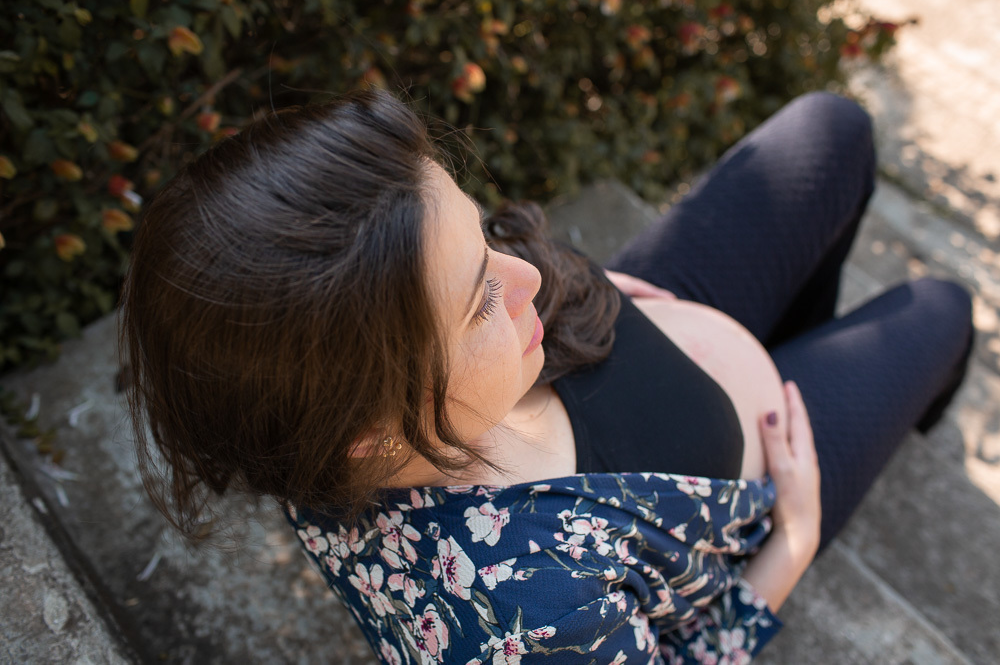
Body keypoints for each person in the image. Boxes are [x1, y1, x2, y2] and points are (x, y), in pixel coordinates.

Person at [121, 89, 975, 663]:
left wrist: (583, 294)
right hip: (767, 485)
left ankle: (799, 333)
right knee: (938, 308)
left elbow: (491, 277)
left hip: (619, 327)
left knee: (834, 130)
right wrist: (788, 549)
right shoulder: (535, 621)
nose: (525, 271)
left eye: (484, 234)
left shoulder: (313, 397)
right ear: (372, 429)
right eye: (478, 302)